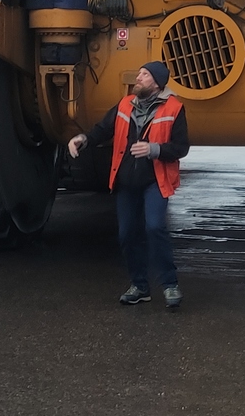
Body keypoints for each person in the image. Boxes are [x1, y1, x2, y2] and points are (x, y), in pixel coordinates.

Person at [67, 62, 189, 310]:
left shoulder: (174, 108)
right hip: (126, 183)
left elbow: (181, 147)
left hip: (155, 181)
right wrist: (83, 139)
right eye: (140, 73)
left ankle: (169, 284)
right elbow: (103, 130)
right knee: (126, 235)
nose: (139, 77)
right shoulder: (125, 104)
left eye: (145, 74)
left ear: (157, 82)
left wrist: (154, 150)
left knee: (154, 228)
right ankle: (140, 287)